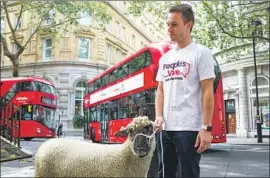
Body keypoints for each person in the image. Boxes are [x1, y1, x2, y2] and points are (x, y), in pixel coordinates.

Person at [155, 4, 215, 178]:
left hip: (190, 129)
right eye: (167, 24)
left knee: (188, 174)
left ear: (188, 25)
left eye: (174, 24)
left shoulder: (201, 53)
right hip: (165, 129)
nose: (169, 29)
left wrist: (206, 128)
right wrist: (159, 116)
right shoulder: (165, 58)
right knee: (165, 174)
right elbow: (160, 90)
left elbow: (207, 92)